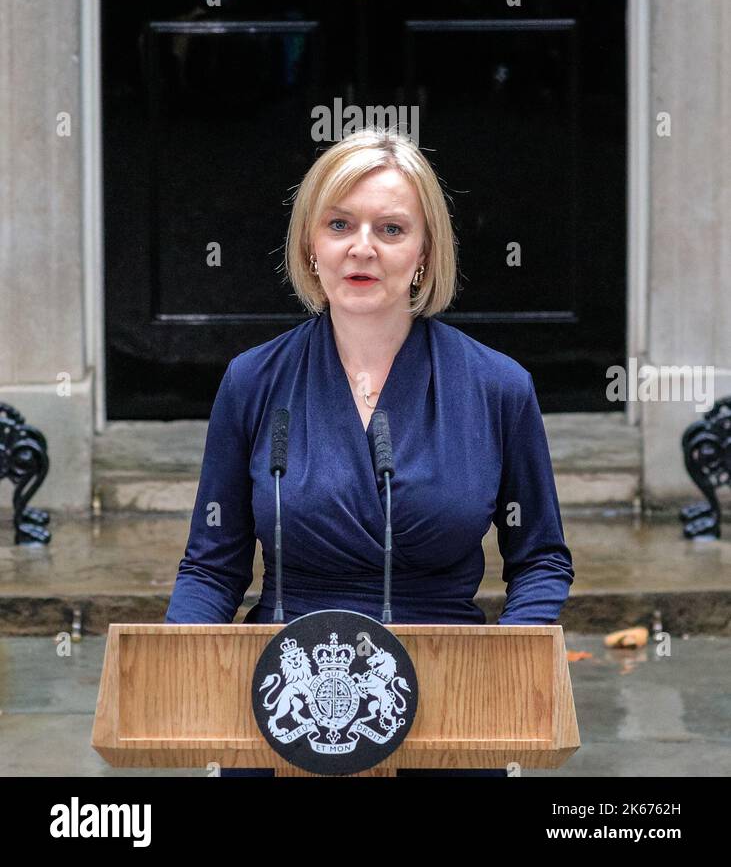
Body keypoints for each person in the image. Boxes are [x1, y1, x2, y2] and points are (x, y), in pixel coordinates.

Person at [164, 127, 574, 776]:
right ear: (310, 243)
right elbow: (212, 569)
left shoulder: (498, 388)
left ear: (424, 252)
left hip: (450, 704)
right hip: (279, 707)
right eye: (339, 224)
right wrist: (176, 670)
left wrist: (504, 672)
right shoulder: (251, 382)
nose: (362, 248)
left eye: (389, 229)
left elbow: (542, 560)